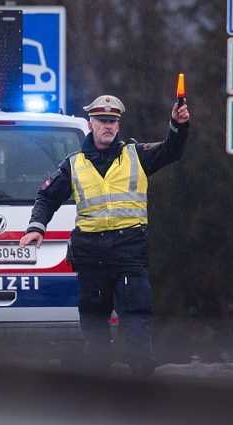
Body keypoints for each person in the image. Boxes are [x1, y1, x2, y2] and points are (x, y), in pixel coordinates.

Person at [19, 93, 190, 377]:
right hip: (92, 259)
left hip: (129, 256)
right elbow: (47, 197)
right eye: (102, 121)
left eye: (113, 121)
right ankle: (98, 398)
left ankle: (143, 394)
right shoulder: (74, 164)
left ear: (119, 126)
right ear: (91, 124)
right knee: (96, 333)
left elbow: (171, 151)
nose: (108, 126)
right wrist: (37, 227)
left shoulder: (136, 156)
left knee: (137, 327)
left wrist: (178, 125)